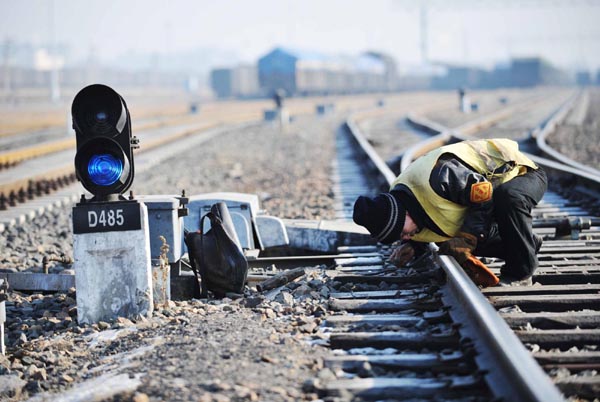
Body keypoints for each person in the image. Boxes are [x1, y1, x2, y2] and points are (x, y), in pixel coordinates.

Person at [352, 138, 547, 287]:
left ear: (404, 214)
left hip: (519, 174)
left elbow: (483, 193)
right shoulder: (406, 204)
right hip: (490, 194)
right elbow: (431, 222)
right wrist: (413, 245)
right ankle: (526, 244)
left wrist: (466, 238)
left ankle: (520, 271)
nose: (406, 236)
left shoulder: (439, 176)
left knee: (507, 198)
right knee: (453, 244)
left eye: (402, 232)